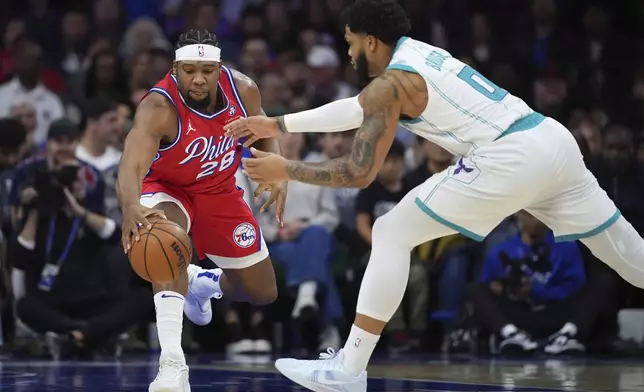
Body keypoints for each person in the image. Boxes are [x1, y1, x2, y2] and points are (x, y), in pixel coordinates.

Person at [223, 1, 644, 390]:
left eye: (350, 43)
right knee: (624, 250)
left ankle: (348, 370)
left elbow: (358, 172)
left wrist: (288, 169)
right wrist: (276, 125)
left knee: (390, 231)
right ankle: (348, 369)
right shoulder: (417, 54)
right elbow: (358, 108)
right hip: (551, 139)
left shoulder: (390, 84)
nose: (349, 53)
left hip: (508, 156)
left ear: (371, 40)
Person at [116, 29, 286, 392]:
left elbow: (264, 127)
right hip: (167, 188)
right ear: (176, 68)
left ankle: (205, 282)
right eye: (189, 69)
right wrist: (131, 204)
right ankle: (172, 367)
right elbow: (131, 165)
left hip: (219, 189)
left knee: (261, 291)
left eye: (206, 70)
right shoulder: (159, 107)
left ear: (218, 67)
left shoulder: (244, 89)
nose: (198, 78)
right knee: (164, 241)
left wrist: (277, 169)